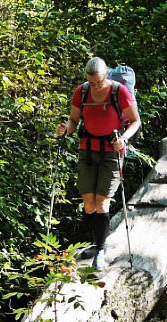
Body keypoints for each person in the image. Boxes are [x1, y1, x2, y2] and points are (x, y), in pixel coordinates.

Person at [56, 57, 141, 267]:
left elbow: (135, 121)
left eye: (98, 82)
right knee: (88, 203)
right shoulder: (82, 92)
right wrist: (66, 129)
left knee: (102, 203)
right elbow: (74, 120)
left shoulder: (118, 91)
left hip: (112, 150)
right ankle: (98, 243)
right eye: (91, 82)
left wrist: (124, 139)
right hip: (87, 148)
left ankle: (101, 250)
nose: (94, 86)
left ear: (106, 76)